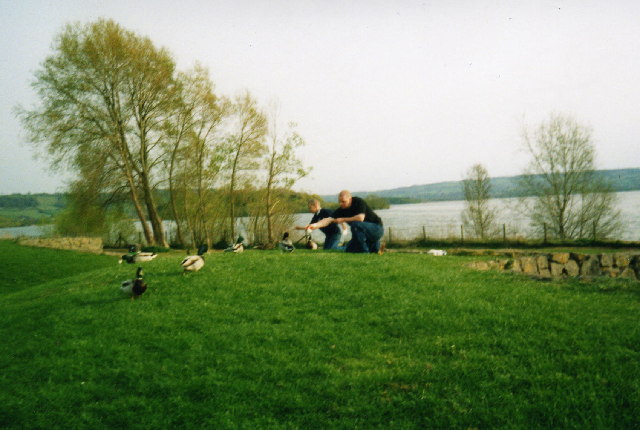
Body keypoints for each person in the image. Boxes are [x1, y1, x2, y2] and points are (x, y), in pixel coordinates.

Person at [306, 190, 384, 254]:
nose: (341, 204)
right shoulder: (341, 209)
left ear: (350, 199)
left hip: (377, 229)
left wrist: (343, 219)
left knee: (356, 224)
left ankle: (364, 251)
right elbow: (328, 220)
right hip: (364, 233)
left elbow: (360, 218)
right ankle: (375, 247)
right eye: (339, 201)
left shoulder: (358, 202)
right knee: (348, 250)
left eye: (343, 201)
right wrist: (315, 225)